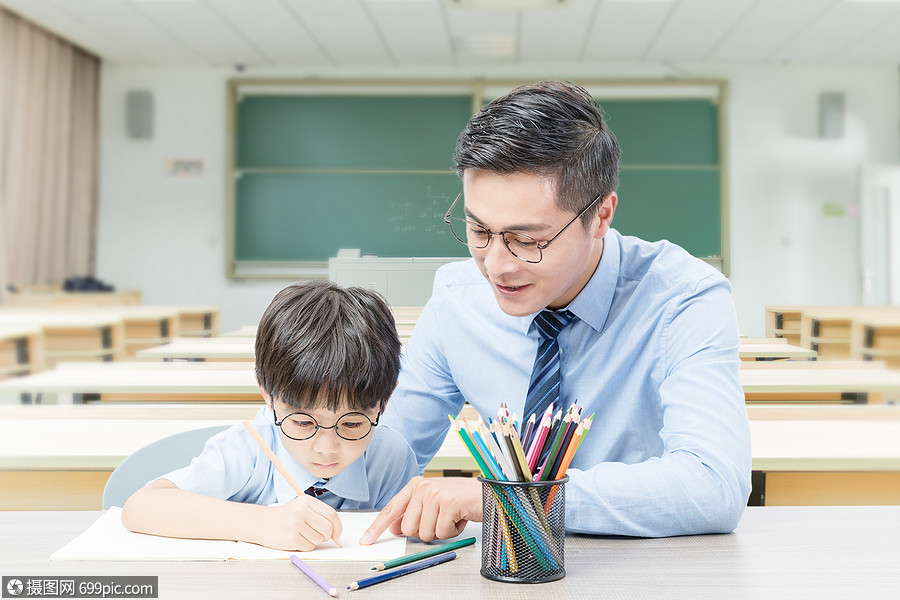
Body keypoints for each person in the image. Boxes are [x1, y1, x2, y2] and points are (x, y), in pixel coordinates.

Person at [360, 80, 751, 544]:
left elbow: (713, 486)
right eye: (478, 229)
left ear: (601, 215)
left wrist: (506, 497)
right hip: (503, 571)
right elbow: (385, 453)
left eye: (528, 240)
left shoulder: (683, 299)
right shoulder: (456, 298)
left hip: (640, 568)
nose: (497, 266)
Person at [122, 280, 418, 551]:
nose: (326, 447)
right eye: (302, 422)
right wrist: (259, 522)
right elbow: (140, 506)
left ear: (386, 398)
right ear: (266, 393)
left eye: (353, 423)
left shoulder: (390, 457)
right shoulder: (247, 450)